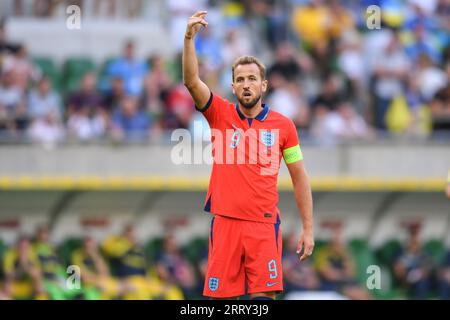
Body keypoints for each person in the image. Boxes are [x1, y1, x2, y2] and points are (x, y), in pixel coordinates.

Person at [182, 11, 314, 300]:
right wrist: (189, 39)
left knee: (263, 300)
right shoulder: (220, 114)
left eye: (252, 78)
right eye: (240, 79)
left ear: (263, 85)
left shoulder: (284, 126)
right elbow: (192, 81)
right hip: (226, 223)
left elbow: (299, 177)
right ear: (232, 87)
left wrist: (307, 228)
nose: (246, 84)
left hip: (263, 226)